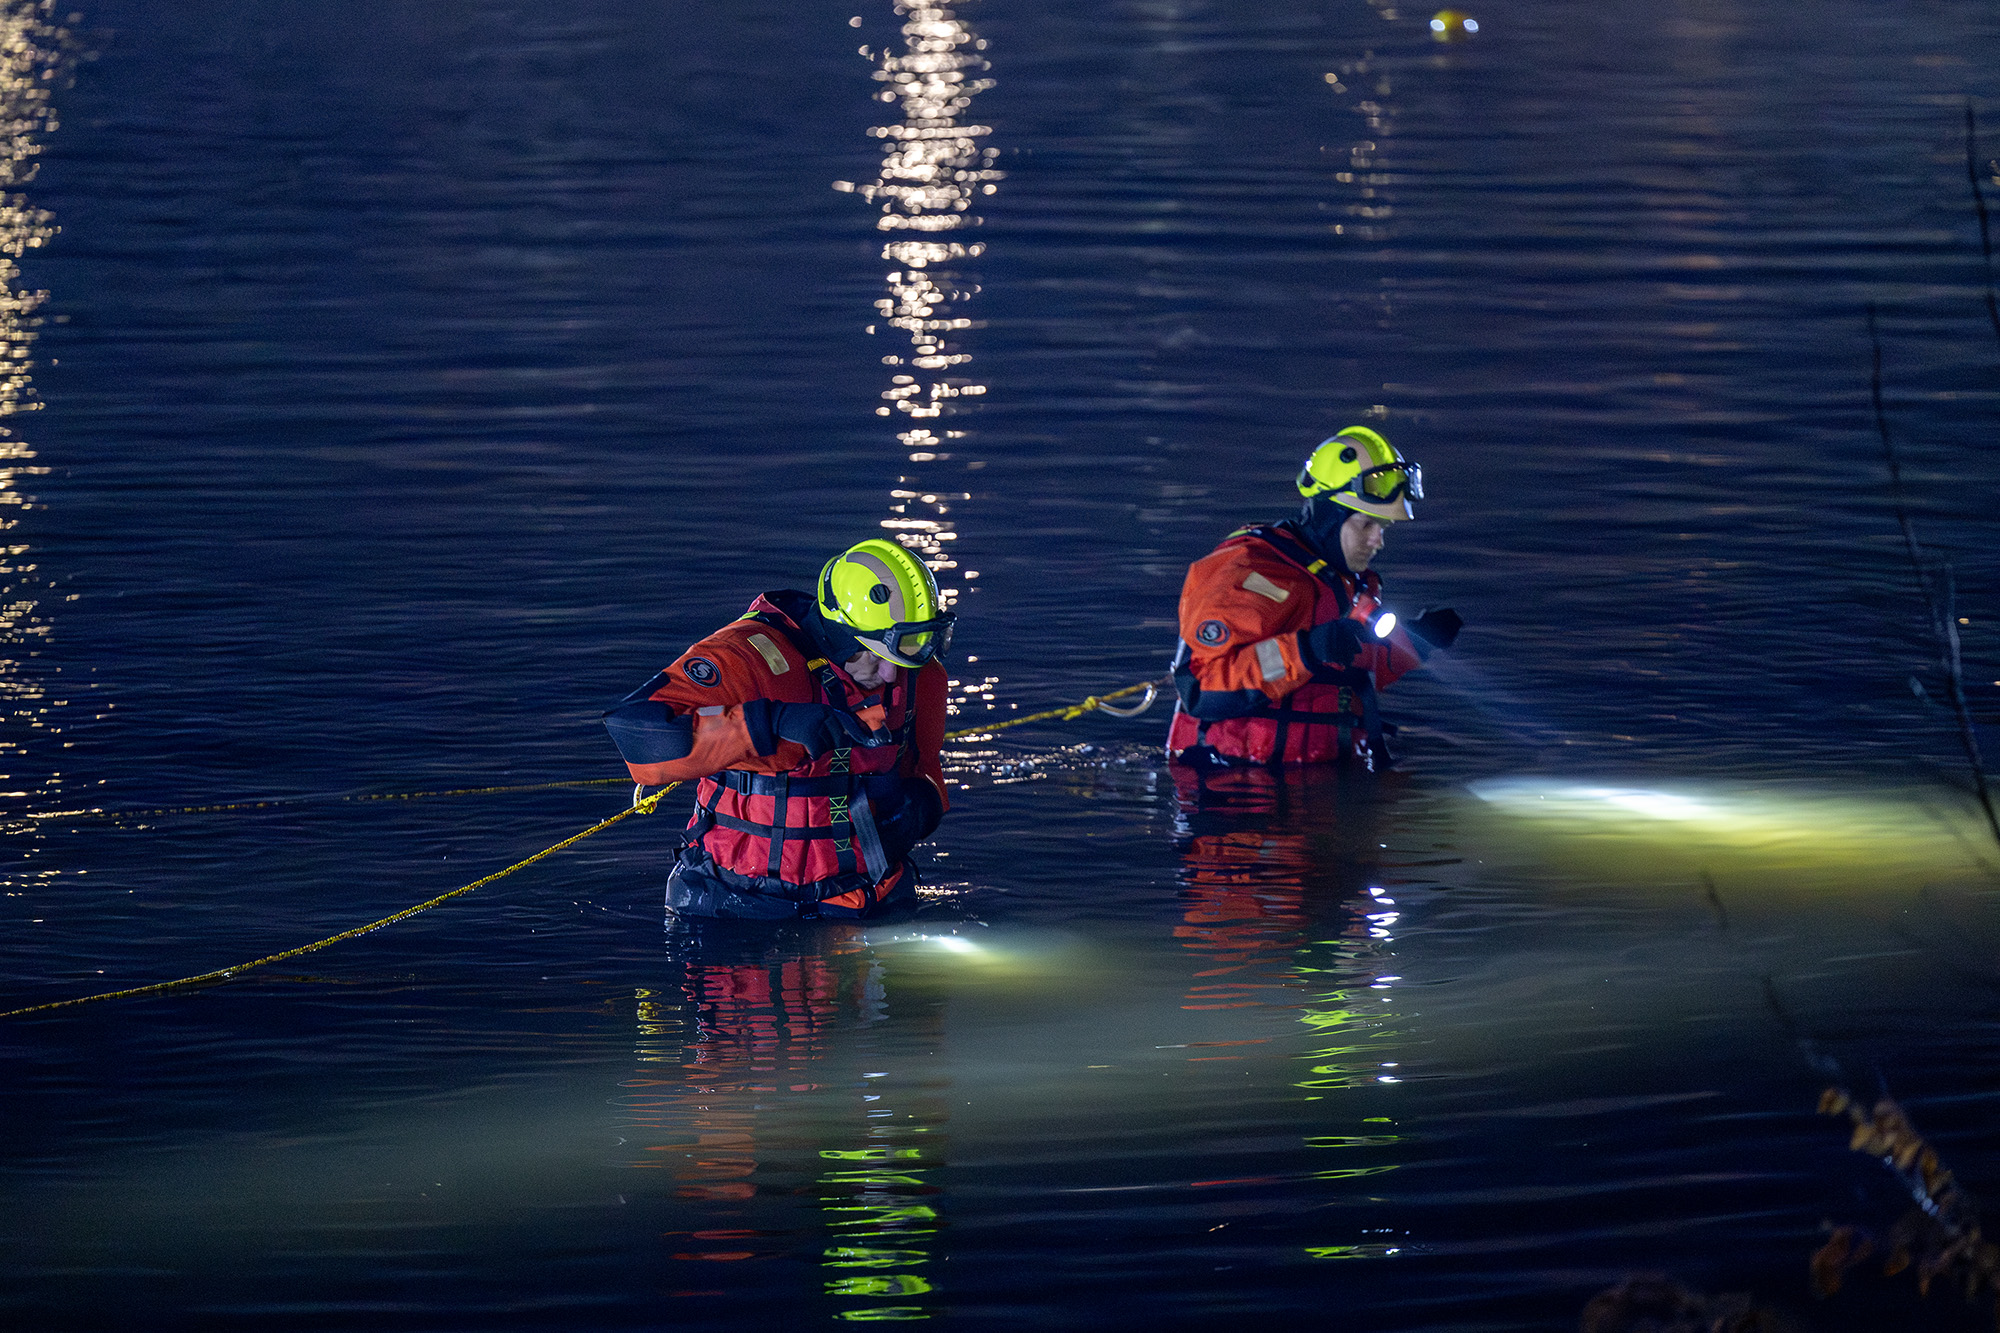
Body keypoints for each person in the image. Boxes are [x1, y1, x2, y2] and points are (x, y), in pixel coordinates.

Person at [604, 539, 953, 920]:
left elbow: (925, 773)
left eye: (905, 653)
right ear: (839, 635)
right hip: (737, 904)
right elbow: (637, 733)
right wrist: (767, 722)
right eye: (873, 654)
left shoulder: (918, 675)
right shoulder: (746, 656)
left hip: (864, 900)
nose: (889, 672)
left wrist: (920, 808)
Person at [1165, 425, 1462, 769]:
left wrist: (1417, 641)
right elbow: (1203, 687)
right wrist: (1306, 650)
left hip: (1319, 774)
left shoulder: (1345, 581)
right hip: (1229, 780)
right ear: (1329, 518)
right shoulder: (1250, 572)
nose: (1377, 541)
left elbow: (1348, 664)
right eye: (1367, 525)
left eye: (1383, 528)